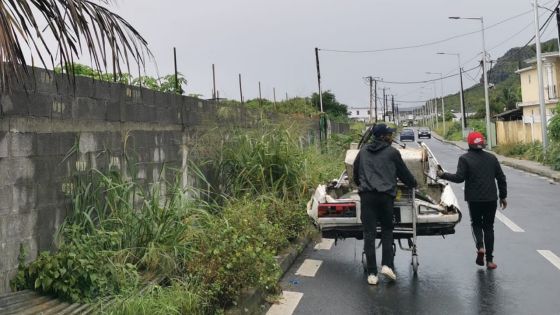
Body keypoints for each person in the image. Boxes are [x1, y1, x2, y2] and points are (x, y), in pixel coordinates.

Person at [353, 124, 417, 285]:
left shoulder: (363, 152)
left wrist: (362, 185)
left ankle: (372, 274)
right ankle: (387, 266)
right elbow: (404, 175)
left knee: (369, 234)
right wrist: (414, 184)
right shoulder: (392, 152)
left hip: (367, 197)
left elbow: (355, 174)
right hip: (386, 197)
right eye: (389, 134)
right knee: (388, 230)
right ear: (382, 136)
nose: (391, 136)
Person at [437, 131, 507, 270]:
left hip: (474, 199)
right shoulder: (492, 158)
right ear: (483, 143)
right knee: (488, 227)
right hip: (491, 198)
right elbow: (501, 178)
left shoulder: (465, 159)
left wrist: (442, 175)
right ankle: (490, 261)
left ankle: (480, 246)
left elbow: (459, 178)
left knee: (476, 224)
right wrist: (503, 196)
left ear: (469, 143)